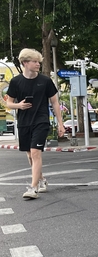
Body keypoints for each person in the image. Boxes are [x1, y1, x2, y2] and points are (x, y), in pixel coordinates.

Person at [5, 48, 65, 200]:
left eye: (39, 62)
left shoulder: (45, 81)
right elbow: (9, 104)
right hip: (24, 122)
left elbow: (55, 102)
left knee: (35, 152)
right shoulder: (16, 81)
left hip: (41, 121)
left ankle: (33, 188)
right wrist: (20, 106)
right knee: (30, 155)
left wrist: (60, 124)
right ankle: (41, 179)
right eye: (35, 61)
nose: (38, 64)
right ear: (25, 63)